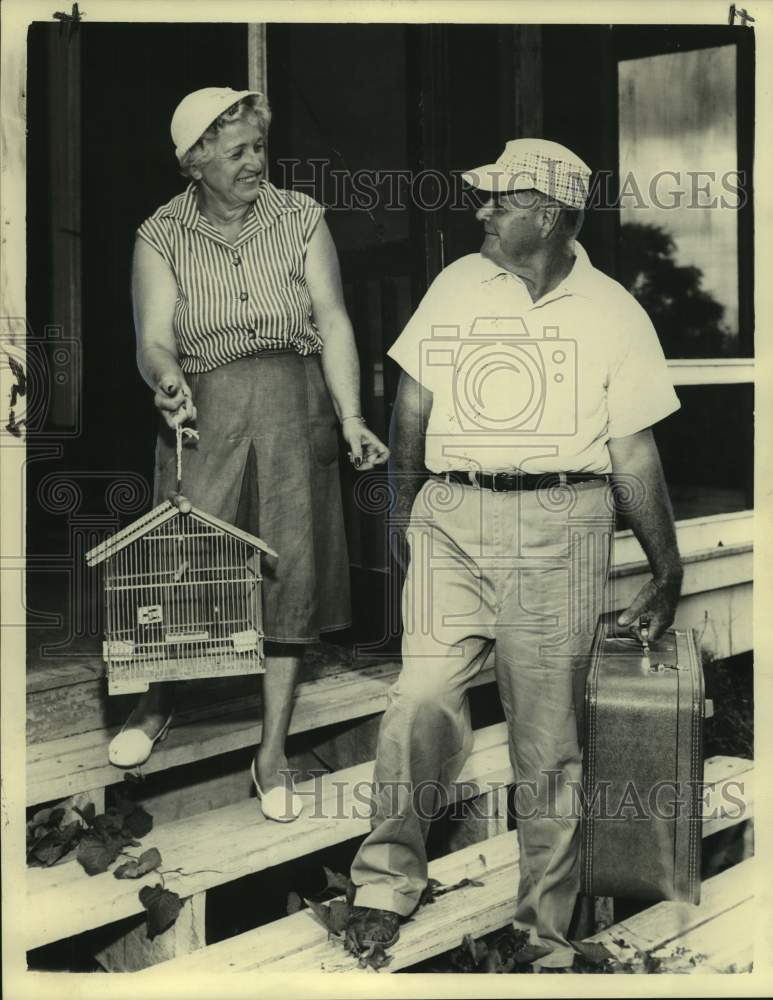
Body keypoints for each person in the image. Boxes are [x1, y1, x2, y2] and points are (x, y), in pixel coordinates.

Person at [346, 139, 683, 967]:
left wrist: (667, 569)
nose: (481, 210)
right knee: (417, 698)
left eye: (499, 199)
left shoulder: (613, 313)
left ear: (550, 214)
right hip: (452, 517)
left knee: (547, 744)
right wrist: (404, 512)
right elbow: (411, 411)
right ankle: (385, 884)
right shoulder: (458, 284)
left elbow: (633, 456)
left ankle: (542, 932)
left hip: (562, 525)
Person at [108, 87, 389, 823]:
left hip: (296, 407)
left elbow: (331, 319)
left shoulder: (300, 218)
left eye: (258, 147)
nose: (255, 162)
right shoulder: (159, 234)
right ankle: (159, 700)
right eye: (236, 152)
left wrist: (352, 415)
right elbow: (152, 338)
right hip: (205, 409)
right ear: (194, 161)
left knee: (288, 574)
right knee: (185, 556)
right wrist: (165, 378)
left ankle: (271, 754)